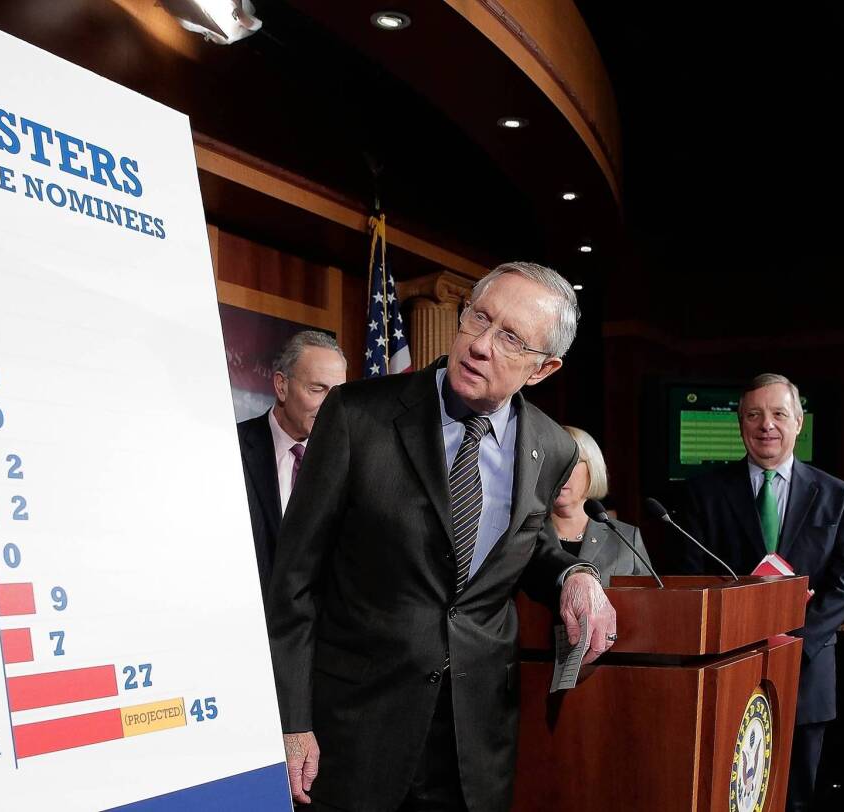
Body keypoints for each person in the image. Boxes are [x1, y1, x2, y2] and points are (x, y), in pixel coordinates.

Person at [267, 263, 618, 811]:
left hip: (472, 746)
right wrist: (293, 722)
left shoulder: (552, 448)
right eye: (478, 317)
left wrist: (575, 574)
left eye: (510, 338)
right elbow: (293, 581)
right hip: (356, 733)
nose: (479, 345)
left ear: (543, 368)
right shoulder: (359, 416)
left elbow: (521, 550)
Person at [683, 373, 844, 812]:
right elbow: (693, 576)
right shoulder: (702, 494)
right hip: (729, 668)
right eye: (754, 415)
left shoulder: (838, 496)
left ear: (799, 422)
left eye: (779, 413)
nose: (767, 425)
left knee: (797, 797)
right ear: (740, 424)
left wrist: (795, 641)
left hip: (808, 673)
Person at [236, 330, 346, 600]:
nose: (330, 405)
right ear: (281, 386)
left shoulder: (350, 460)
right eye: (317, 389)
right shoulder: (232, 447)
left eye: (339, 393)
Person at [553, 426, 653, 586]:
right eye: (555, 460)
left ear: (592, 469)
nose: (562, 471)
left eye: (573, 461)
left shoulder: (626, 538)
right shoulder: (523, 535)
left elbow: (648, 602)